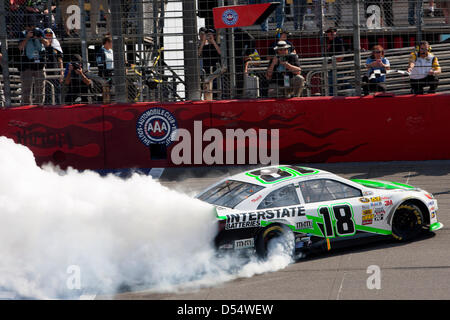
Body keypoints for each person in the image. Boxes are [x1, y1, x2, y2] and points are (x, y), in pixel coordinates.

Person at [18, 16, 50, 105]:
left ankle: (39, 105)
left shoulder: (39, 31)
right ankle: (26, 105)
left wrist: (39, 37)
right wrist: (27, 37)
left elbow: (47, 44)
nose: (30, 29)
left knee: (40, 87)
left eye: (32, 27)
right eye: (28, 27)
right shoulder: (23, 33)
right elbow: (20, 47)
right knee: (26, 87)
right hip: (27, 63)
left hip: (39, 63)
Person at [43, 28, 63, 104]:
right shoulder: (41, 46)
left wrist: (61, 73)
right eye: (46, 35)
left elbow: (60, 60)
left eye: (50, 35)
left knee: (57, 93)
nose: (48, 37)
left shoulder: (56, 47)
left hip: (55, 74)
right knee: (46, 93)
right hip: (45, 73)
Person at [325, 27, 347, 95]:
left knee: (333, 84)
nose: (330, 34)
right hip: (335, 66)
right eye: (329, 33)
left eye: (331, 33)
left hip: (338, 66)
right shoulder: (332, 42)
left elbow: (341, 56)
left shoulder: (338, 41)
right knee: (341, 83)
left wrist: (332, 64)